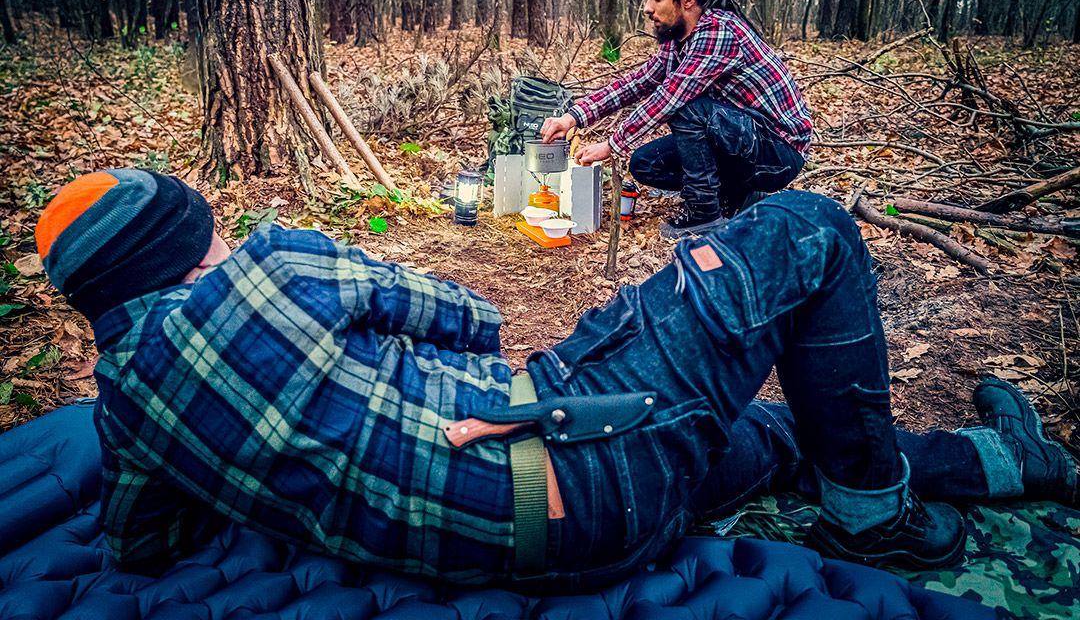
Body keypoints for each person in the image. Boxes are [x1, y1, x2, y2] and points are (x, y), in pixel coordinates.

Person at [36, 169, 1077, 590]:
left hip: (561, 539)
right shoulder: (275, 269)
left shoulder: (125, 406)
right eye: (201, 218)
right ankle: (876, 521)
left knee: (759, 434)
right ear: (179, 243)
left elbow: (142, 542)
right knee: (808, 229)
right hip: (583, 458)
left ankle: (998, 460)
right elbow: (472, 318)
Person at [541, 0, 812, 238]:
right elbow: (636, 82)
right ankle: (740, 199)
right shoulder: (678, 41)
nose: (647, 8)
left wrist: (613, 144)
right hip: (742, 141)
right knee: (645, 164)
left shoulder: (719, 31)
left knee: (687, 106)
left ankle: (704, 214)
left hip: (778, 152)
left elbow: (671, 96)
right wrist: (572, 117)